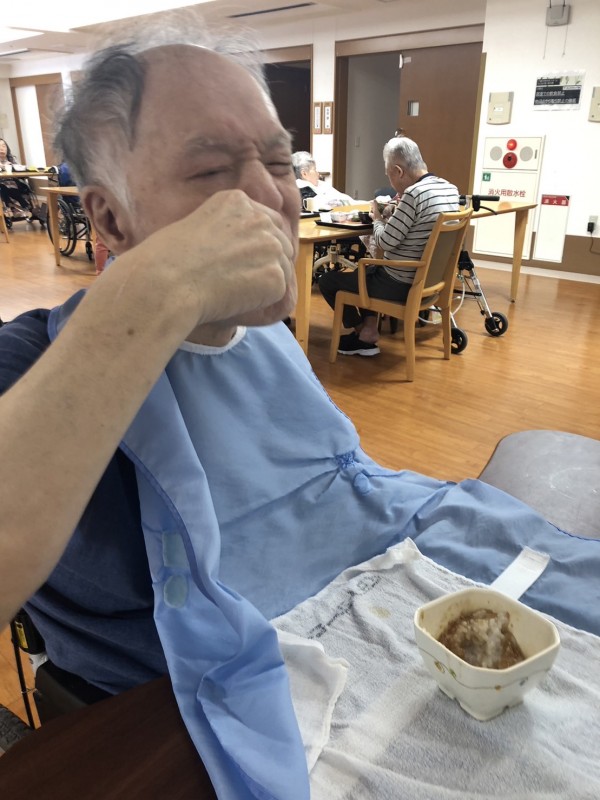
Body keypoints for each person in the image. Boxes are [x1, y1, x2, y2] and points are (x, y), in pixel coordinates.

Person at [0, 15, 594, 799]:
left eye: (279, 162)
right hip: (171, 715)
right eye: (211, 170)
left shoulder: (259, 333)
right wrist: (153, 293)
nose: (270, 195)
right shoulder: (30, 362)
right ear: (110, 218)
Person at [318, 136, 459, 356]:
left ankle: (362, 333)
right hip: (432, 281)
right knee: (367, 271)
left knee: (328, 280)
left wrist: (377, 217)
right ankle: (369, 330)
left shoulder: (414, 194)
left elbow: (385, 241)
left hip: (401, 283)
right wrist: (396, 213)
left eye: (389, 174)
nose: (390, 181)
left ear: (399, 171)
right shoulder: (449, 189)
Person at [0, 138, 35, 220]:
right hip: (2, 186)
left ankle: (19, 207)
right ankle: (19, 206)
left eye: (3, 146)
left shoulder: (12, 159)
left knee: (23, 186)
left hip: (15, 184)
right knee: (3, 188)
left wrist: (14, 167)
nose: (1, 149)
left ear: (7, 148)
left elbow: (19, 169)